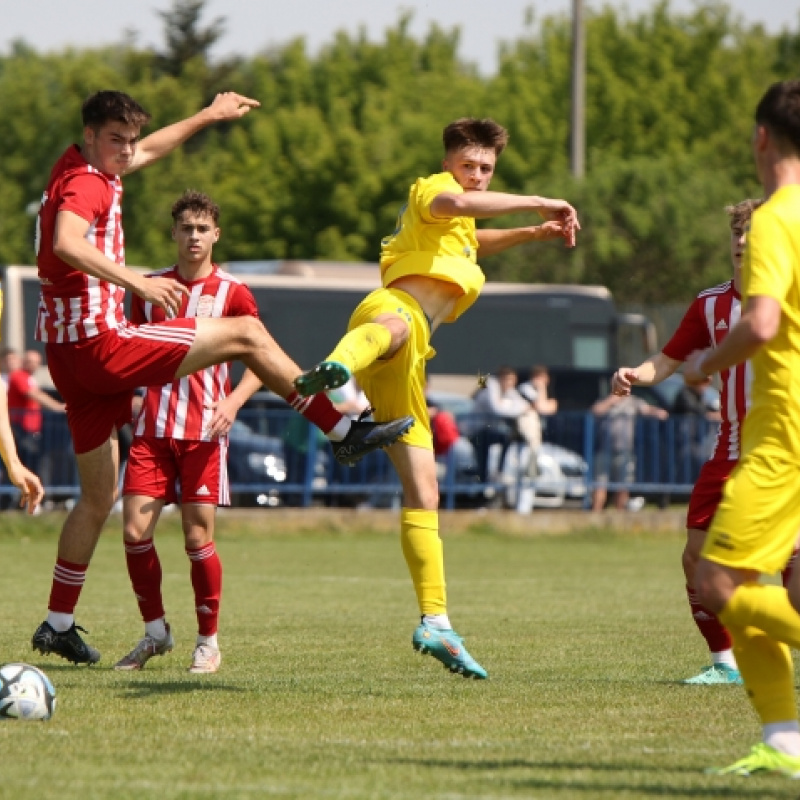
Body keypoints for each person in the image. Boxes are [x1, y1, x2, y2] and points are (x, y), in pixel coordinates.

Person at [30, 90, 412, 667]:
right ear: (89, 135)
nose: (126, 152)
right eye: (115, 140)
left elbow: (149, 150)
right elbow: (65, 241)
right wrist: (136, 283)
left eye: (129, 141)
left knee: (96, 498)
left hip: (67, 356)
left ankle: (57, 622)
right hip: (96, 343)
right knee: (248, 335)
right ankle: (342, 431)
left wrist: (208, 116)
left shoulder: (75, 166)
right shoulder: (88, 182)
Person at [293, 117, 579, 678]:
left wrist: (532, 233)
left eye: (486, 169)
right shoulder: (431, 190)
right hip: (388, 312)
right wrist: (540, 201)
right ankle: (337, 367)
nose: (476, 177)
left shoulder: (462, 226)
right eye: (469, 166)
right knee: (395, 330)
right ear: (449, 161)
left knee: (425, 489)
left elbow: (473, 239)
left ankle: (436, 624)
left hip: (415, 355)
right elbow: (455, 206)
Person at [682, 80, 800, 777]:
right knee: (750, 576)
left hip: (783, 429)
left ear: (761, 137)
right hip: (781, 431)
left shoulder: (774, 222)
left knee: (718, 581)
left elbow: (759, 323)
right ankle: (785, 740)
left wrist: (706, 361)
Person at [612, 198, 764, 685]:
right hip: (730, 450)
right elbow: (670, 359)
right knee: (696, 556)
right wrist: (637, 373)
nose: (741, 241)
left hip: (786, 452)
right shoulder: (711, 303)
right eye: (736, 233)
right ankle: (725, 664)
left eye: (752, 232)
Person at [113, 191, 261, 674]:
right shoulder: (150, 288)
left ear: (215, 234)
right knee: (134, 532)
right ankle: (156, 633)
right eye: (186, 228)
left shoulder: (233, 292)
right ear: (173, 232)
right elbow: (124, 350)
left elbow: (262, 359)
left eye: (203, 229)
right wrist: (128, 394)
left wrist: (234, 402)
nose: (194, 236)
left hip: (203, 433)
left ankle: (208, 641)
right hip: (153, 432)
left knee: (197, 538)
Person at [590, 392, 667, 511]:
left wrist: (658, 412)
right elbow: (595, 411)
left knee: (623, 486)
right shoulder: (605, 399)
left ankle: (620, 517)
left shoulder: (633, 401)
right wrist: (610, 401)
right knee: (600, 484)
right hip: (604, 450)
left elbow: (646, 409)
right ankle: (595, 515)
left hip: (625, 451)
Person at [7, 350, 66, 476]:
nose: (33, 365)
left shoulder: (29, 378)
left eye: (36, 362)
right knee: (28, 464)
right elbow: (34, 394)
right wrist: (58, 407)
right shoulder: (18, 376)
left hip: (30, 430)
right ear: (23, 361)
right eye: (30, 362)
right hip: (20, 429)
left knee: (33, 463)